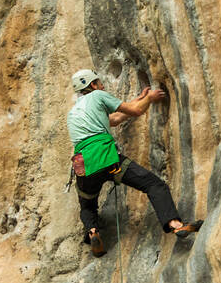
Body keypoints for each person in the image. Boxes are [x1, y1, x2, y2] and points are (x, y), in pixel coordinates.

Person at [67, 68, 202, 256]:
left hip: (83, 165)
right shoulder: (98, 95)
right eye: (99, 82)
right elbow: (136, 111)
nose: (102, 85)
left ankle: (93, 232)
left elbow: (115, 119)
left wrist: (140, 98)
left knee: (87, 204)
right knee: (153, 184)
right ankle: (175, 224)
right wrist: (151, 98)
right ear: (92, 85)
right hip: (106, 160)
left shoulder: (73, 112)